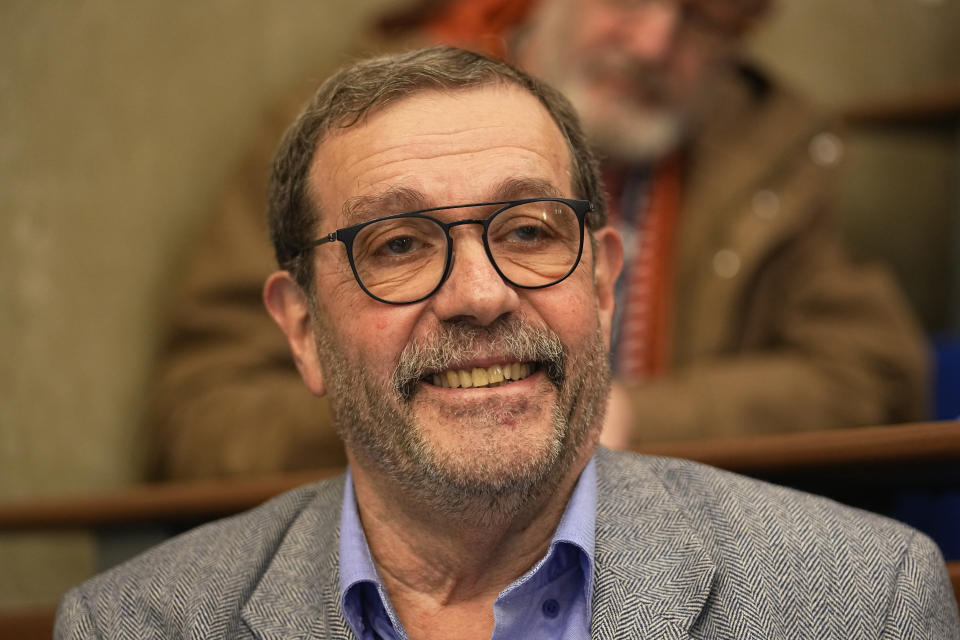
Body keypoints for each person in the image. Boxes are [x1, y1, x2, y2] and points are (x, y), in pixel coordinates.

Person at [58, 47, 958, 639]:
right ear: (301, 329)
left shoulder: (857, 601)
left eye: (529, 231)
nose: (481, 295)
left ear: (603, 285)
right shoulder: (136, 624)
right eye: (400, 246)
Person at [151, 0, 928, 478]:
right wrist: (425, 427)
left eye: (702, 14)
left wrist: (625, 423)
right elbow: (206, 417)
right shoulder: (346, 139)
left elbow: (875, 376)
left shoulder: (773, 150)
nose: (653, 42)